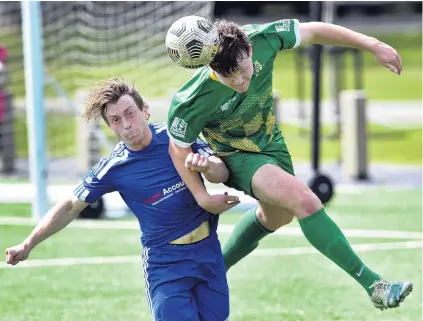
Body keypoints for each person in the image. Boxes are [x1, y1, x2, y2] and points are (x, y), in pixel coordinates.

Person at [167, 18, 412, 310]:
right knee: (306, 202)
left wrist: (372, 44)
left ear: (249, 49)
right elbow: (177, 147)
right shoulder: (191, 100)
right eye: (230, 79)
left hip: (273, 144)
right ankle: (374, 284)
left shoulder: (263, 39)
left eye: (245, 73)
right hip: (237, 157)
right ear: (212, 69)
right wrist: (202, 196)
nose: (241, 83)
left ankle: (210, 272)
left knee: (277, 217)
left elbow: (315, 31)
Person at [5, 78, 240, 321]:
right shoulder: (114, 167)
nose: (127, 124)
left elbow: (221, 172)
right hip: (166, 264)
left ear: (144, 110)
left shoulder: (177, 138)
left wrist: (206, 165)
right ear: (111, 127)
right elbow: (69, 207)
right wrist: (27, 244)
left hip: (208, 252)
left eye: (130, 113)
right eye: (116, 120)